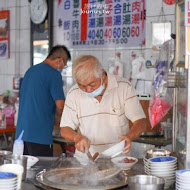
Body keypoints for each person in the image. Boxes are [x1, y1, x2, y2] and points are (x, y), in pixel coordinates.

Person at [60, 55, 146, 158]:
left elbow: (140, 122)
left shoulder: (123, 87)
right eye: (82, 86)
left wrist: (129, 137)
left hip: (118, 160)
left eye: (92, 84)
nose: (87, 90)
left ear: (102, 75)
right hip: (87, 161)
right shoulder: (74, 93)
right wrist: (77, 137)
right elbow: (65, 129)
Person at [15, 45, 71, 156]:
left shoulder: (31, 71)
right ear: (59, 60)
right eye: (63, 66)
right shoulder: (54, 74)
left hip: (21, 136)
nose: (61, 69)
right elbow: (61, 106)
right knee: (42, 172)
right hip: (40, 136)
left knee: (24, 171)